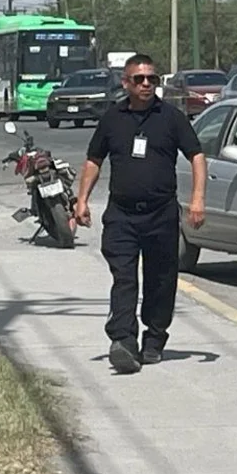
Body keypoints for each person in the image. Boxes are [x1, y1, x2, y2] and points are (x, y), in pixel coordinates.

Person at [72, 53, 207, 374]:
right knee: (124, 277)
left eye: (152, 79)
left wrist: (198, 199)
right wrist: (81, 201)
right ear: (126, 82)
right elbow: (94, 160)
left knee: (161, 280)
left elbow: (197, 156)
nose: (146, 84)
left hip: (161, 215)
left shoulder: (171, 117)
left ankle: (155, 339)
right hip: (122, 214)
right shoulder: (112, 119)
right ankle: (123, 341)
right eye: (139, 79)